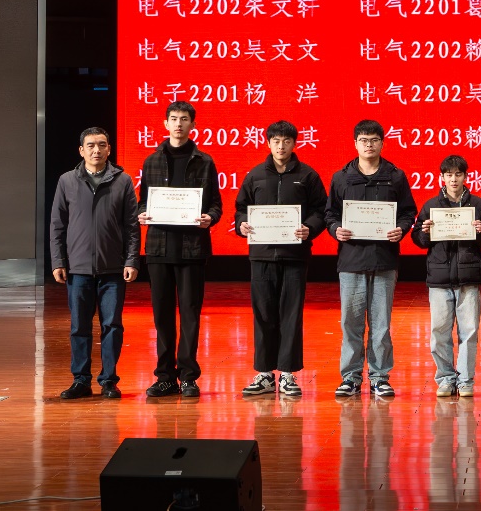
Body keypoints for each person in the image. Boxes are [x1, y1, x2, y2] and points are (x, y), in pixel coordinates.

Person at [234, 121, 328, 398]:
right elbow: (241, 209)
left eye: (286, 141)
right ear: (268, 143)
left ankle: (287, 373)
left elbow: (321, 210)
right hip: (261, 255)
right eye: (276, 141)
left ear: (294, 143)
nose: (281, 146)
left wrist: (310, 227)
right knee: (263, 314)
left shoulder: (307, 175)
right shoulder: (255, 175)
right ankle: (264, 374)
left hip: (295, 256)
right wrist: (242, 224)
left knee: (291, 315)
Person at [325, 119, 417, 398]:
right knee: (350, 323)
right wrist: (335, 229)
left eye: (374, 140)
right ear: (355, 144)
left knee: (381, 324)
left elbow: (408, 212)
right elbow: (330, 213)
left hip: (383, 260)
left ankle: (379, 377)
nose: (369, 145)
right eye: (364, 140)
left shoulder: (395, 176)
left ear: (382, 143)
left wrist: (401, 229)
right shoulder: (341, 177)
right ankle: (350, 377)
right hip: (351, 261)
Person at [137, 101, 223, 398]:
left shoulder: (205, 161)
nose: (178, 124)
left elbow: (216, 203)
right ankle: (164, 377)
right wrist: (142, 213)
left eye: (184, 119)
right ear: (165, 124)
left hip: (192, 249)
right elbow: (142, 200)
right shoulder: (151, 161)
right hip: (158, 249)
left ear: (192, 125)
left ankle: (187, 376)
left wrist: (210, 217)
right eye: (173, 119)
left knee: (190, 315)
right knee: (162, 316)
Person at [50, 127, 140, 399]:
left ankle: (109, 380)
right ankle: (81, 380)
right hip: (78, 269)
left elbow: (131, 226)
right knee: (79, 326)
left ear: (109, 149)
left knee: (112, 325)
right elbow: (57, 225)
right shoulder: (67, 181)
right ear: (81, 150)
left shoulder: (123, 181)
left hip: (112, 269)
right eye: (90, 145)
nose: (96, 150)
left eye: (102, 145)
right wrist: (58, 260)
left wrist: (132, 260)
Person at [411, 155, 481, 397]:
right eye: (449, 175)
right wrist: (425, 232)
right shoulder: (431, 205)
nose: (453, 179)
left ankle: (466, 380)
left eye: (458, 174)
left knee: (469, 332)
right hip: (439, 279)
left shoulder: (478, 205)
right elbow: (418, 238)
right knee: (439, 332)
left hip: (468, 278)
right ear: (442, 177)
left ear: (465, 176)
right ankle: (446, 379)